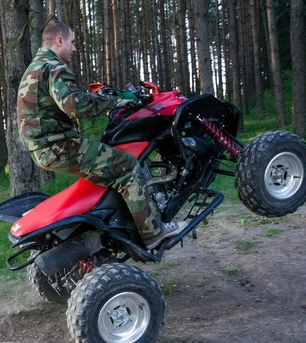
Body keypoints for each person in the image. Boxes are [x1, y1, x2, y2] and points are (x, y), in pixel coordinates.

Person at [16, 20, 187, 250]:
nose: (75, 49)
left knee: (109, 167)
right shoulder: (54, 66)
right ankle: (153, 233)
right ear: (59, 40)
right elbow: (73, 104)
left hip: (45, 146)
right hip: (58, 145)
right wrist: (116, 100)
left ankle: (121, 223)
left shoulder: (36, 67)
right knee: (127, 167)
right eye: (72, 42)